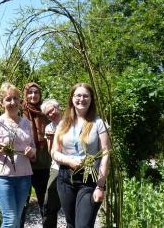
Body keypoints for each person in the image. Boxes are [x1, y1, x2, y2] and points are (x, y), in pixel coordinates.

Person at [51, 83, 110, 228]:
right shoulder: (63, 124)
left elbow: (105, 154)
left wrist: (100, 186)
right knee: (71, 223)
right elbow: (54, 152)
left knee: (83, 225)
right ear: (72, 98)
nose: (81, 99)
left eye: (85, 96)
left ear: (91, 99)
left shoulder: (99, 123)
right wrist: (69, 161)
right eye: (78, 95)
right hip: (65, 178)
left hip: (89, 179)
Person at [0, 82, 36, 228]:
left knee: (17, 218)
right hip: (2, 177)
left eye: (15, 98)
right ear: (1, 103)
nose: (12, 102)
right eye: (8, 99)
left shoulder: (27, 123)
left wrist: (32, 152)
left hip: (24, 177)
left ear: (20, 101)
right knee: (10, 219)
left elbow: (33, 147)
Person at [20, 82, 52, 226]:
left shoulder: (46, 113)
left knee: (45, 205)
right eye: (30, 92)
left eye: (36, 92)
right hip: (22, 167)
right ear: (25, 94)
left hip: (43, 166)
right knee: (21, 206)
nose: (33, 95)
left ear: (40, 94)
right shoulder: (19, 112)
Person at [41, 99, 62, 228]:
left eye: (52, 110)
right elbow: (51, 153)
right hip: (57, 167)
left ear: (58, 107)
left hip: (75, 166)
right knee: (49, 201)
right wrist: (50, 139)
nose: (51, 114)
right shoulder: (49, 127)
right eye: (47, 113)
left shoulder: (71, 122)